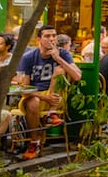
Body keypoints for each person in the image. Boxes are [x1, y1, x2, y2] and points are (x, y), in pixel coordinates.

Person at [16, 25, 82, 160]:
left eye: (54, 36)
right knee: (33, 103)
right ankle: (34, 142)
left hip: (56, 98)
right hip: (35, 95)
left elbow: (77, 76)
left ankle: (52, 113)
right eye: (47, 36)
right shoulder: (28, 57)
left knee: (60, 70)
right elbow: (24, 86)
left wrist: (58, 59)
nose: (51, 39)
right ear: (38, 39)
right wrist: (44, 97)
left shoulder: (63, 53)